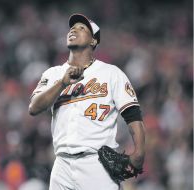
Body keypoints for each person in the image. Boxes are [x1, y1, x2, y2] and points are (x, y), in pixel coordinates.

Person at [29, 13, 145, 190]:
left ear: (93, 41)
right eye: (72, 28)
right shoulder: (52, 74)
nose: (74, 30)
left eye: (82, 28)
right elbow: (34, 107)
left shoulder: (111, 73)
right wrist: (61, 83)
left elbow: (133, 114)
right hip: (61, 165)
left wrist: (139, 151)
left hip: (96, 163)